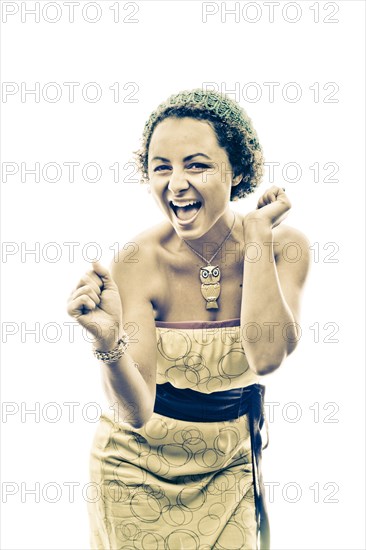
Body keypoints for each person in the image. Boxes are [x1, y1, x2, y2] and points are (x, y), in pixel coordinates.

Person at [67, 88, 310, 550]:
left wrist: (256, 237)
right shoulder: (139, 260)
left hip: (229, 466)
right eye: (162, 167)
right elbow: (135, 412)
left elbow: (266, 357)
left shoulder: (285, 247)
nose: (176, 183)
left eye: (195, 165)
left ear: (236, 170)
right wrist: (106, 343)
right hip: (133, 472)